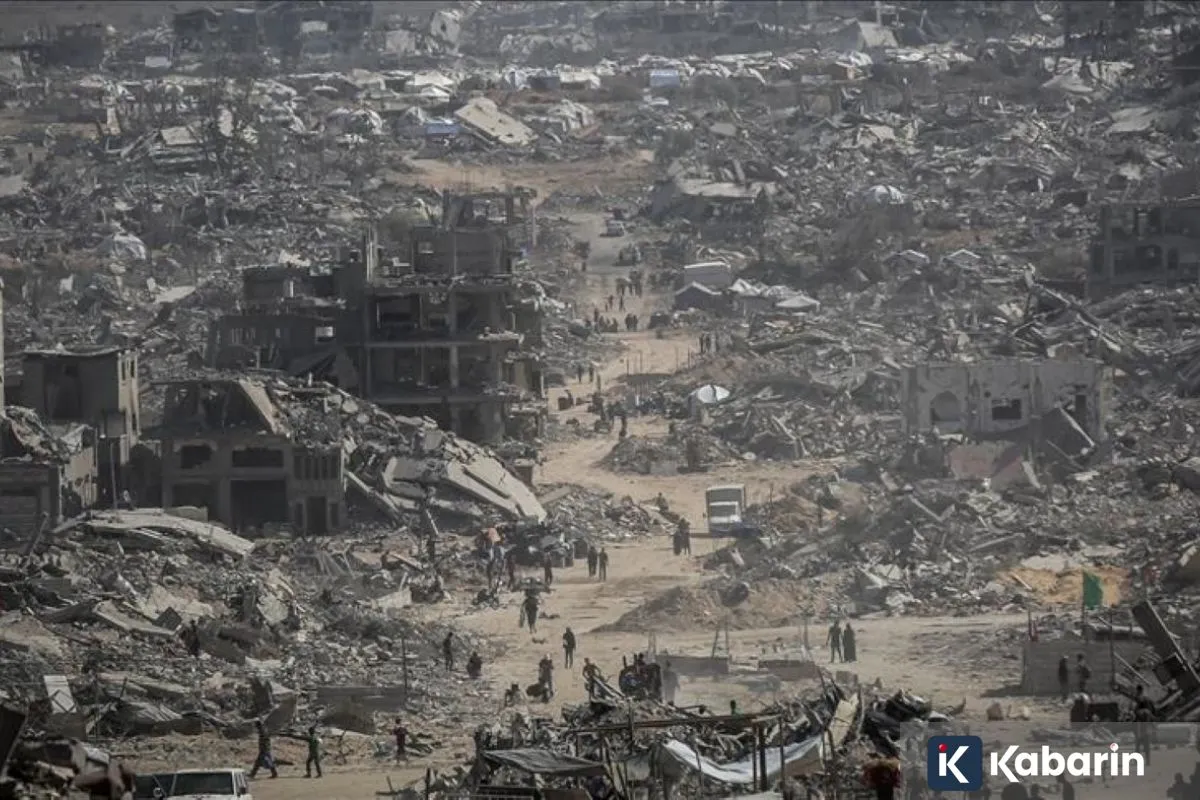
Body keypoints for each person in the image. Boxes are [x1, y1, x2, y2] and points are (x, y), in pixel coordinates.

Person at [1133, 684, 1155, 762]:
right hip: (1147, 724)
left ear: (1138, 690)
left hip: (1140, 724)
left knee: (1138, 743)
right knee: (1146, 743)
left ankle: (1137, 760)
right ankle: (1148, 760)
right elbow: (1153, 712)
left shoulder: (1137, 699)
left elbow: (1135, 712)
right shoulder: (1148, 699)